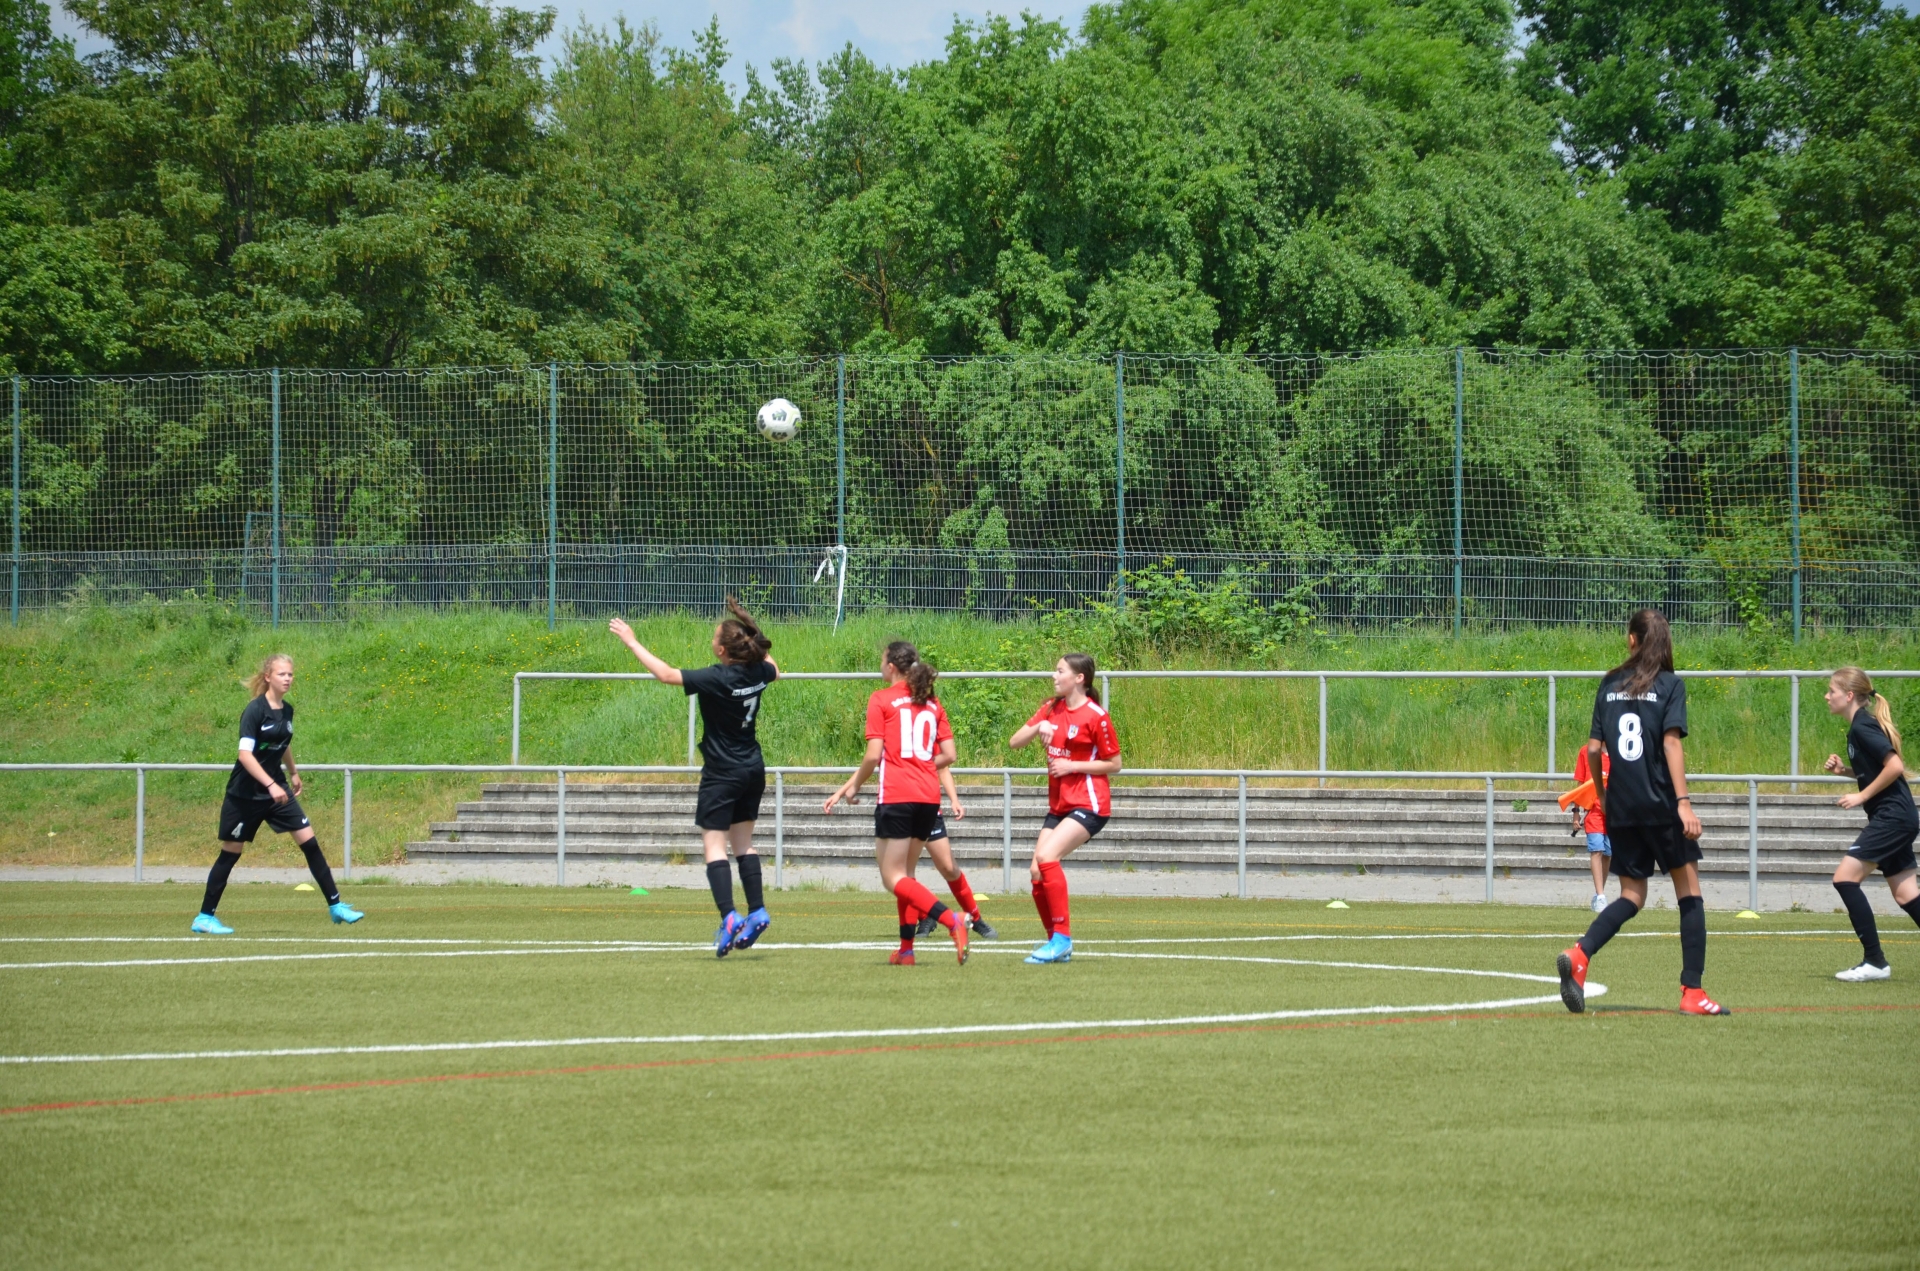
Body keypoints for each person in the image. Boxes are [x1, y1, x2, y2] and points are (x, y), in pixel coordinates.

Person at [1556, 610, 1727, 1015]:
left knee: (1632, 895)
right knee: (1690, 894)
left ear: (1632, 640)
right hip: (1662, 804)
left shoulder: (1608, 684)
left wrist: (1603, 796)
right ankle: (1692, 992)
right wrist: (1683, 802)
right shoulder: (1670, 685)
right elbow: (1671, 744)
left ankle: (1580, 953)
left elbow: (1594, 749)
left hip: (1622, 805)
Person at [611, 599, 778, 958]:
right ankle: (758, 910)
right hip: (753, 768)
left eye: (715, 637)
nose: (712, 640)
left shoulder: (718, 677)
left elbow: (666, 674)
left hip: (722, 772)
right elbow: (774, 668)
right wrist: (753, 631)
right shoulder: (759, 673)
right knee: (744, 845)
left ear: (721, 650)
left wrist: (632, 641)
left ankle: (729, 917)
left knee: (714, 847)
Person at [822, 641, 970, 966]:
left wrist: (854, 786)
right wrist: (920, 764)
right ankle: (906, 950)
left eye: (882, 660)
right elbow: (949, 755)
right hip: (929, 797)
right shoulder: (931, 702)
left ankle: (951, 920)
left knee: (893, 878)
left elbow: (873, 755)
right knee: (906, 875)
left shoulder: (881, 698)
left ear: (890, 666)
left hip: (897, 795)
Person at [192, 654, 362, 934]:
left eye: (290, 674)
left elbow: (283, 742)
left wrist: (292, 772)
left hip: (277, 792)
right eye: (282, 674)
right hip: (245, 795)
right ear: (268, 677)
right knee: (231, 853)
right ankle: (204, 917)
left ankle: (336, 905)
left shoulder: (287, 710)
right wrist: (269, 784)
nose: (287, 678)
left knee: (309, 843)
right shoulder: (254, 710)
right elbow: (245, 756)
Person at [1008, 653, 1122, 965]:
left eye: (1060, 671)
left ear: (1079, 678)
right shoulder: (1051, 708)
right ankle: (1055, 941)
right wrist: (1040, 725)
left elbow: (1115, 764)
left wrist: (1072, 765)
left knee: (1047, 857)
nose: (1054, 676)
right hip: (1060, 805)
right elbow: (1014, 742)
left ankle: (1062, 938)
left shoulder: (1096, 716)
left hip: (1089, 804)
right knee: (1036, 871)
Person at [1821, 667, 1920, 982]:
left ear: (1849, 695)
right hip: (1896, 818)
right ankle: (1875, 962)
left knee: (1844, 879)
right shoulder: (1858, 728)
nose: (1827, 696)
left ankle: (1875, 962)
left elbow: (1895, 766)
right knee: (1906, 895)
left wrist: (1861, 795)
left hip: (1893, 818)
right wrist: (1845, 772)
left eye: (1832, 691)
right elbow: (1876, 769)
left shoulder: (1863, 726)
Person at [910, 766, 998, 940]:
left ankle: (975, 919)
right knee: (902, 873)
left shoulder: (930, 747)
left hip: (928, 809)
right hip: (900, 809)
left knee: (949, 868)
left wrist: (954, 800)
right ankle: (924, 916)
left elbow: (942, 768)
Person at [1572, 745, 1613, 913]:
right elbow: (1580, 786)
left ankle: (1598, 894)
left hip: (1613, 813)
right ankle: (1601, 896)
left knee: (1608, 854)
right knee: (1596, 850)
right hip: (1593, 812)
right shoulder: (1586, 751)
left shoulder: (1618, 752)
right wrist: (1576, 813)